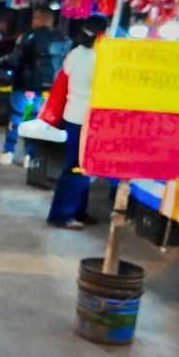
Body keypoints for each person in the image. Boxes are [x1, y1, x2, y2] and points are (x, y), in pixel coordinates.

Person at [47, 15, 109, 230]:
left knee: (79, 167)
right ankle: (63, 215)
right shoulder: (97, 59)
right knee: (77, 169)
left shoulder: (75, 53)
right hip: (85, 120)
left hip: (72, 116)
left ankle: (78, 211)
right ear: (102, 34)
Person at [0, 6, 67, 166]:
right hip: (48, 89)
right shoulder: (62, 38)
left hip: (24, 84)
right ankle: (30, 156)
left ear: (38, 18)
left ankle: (8, 152)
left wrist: (3, 65)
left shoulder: (29, 36)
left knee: (17, 117)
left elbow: (15, 59)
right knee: (35, 120)